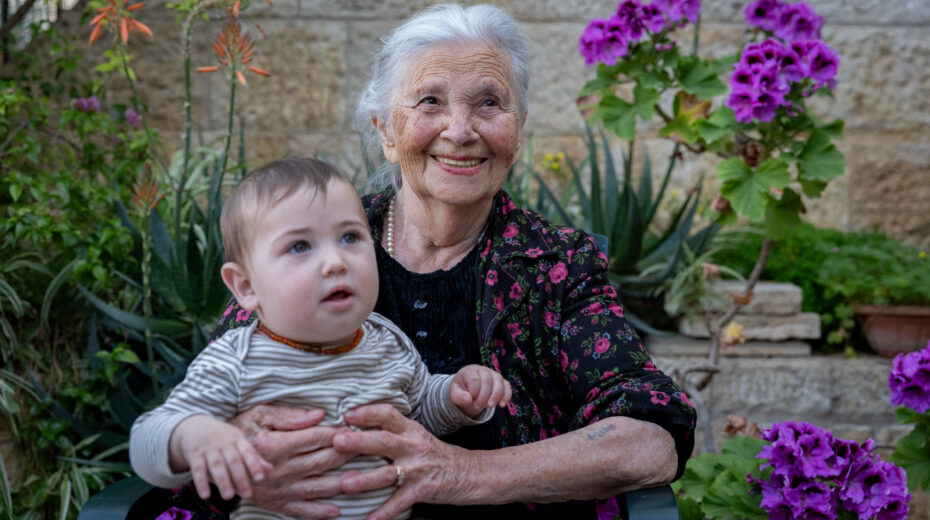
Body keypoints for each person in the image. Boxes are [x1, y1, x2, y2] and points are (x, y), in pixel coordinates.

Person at [178, 3, 697, 519]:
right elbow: (202, 412)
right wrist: (235, 442)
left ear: (517, 130)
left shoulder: (558, 266)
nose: (460, 130)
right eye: (430, 101)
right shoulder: (315, 252)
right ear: (386, 132)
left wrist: (458, 472)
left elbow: (652, 439)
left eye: (489, 104)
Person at [129, 157, 512, 520]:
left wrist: (456, 396)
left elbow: (420, 409)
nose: (335, 261)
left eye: (349, 237)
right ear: (246, 287)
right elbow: (146, 440)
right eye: (299, 246)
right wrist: (194, 435)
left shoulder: (387, 344)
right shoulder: (238, 361)